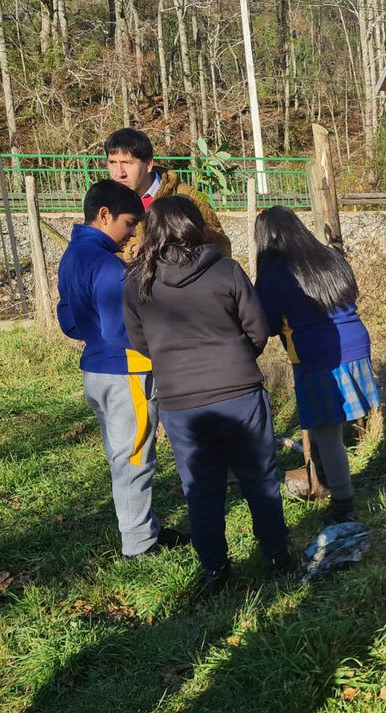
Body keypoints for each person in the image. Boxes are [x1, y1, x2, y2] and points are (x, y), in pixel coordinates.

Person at [123, 196, 291, 593]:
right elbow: (259, 330)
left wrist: (174, 363)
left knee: (200, 487)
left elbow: (140, 343)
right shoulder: (227, 271)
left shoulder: (136, 283)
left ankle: (215, 568)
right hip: (240, 393)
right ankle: (277, 554)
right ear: (195, 227)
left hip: (181, 402)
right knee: (259, 478)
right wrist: (236, 358)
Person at [56, 179, 188, 560]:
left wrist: (94, 336)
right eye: (129, 223)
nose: (131, 233)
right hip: (126, 371)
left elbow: (68, 320)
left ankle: (143, 528)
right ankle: (139, 543)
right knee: (134, 459)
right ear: (104, 215)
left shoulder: (73, 256)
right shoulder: (107, 266)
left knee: (122, 453)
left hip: (96, 370)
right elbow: (124, 329)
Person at [254, 206, 380, 524]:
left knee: (326, 433)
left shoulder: (274, 271)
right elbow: (352, 291)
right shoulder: (327, 256)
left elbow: (266, 324)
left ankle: (342, 504)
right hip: (356, 343)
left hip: (316, 354)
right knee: (334, 430)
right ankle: (327, 481)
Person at [104, 127, 232, 260]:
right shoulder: (106, 204)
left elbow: (221, 246)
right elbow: (98, 252)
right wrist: (130, 253)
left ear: (148, 164)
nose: (119, 173)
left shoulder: (186, 195)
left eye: (127, 163)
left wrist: (172, 252)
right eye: (112, 163)